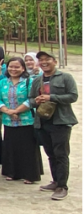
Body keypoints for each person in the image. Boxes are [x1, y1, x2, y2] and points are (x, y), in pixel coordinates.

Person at [29, 51, 79, 200]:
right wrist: (36, 101)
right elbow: (30, 99)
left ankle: (62, 186)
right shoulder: (37, 80)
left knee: (61, 154)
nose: (44, 62)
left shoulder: (65, 78)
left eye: (47, 59)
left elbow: (73, 96)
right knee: (50, 153)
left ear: (55, 61)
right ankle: (55, 181)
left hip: (61, 121)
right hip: (43, 121)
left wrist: (52, 97)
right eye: (41, 60)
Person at [0, 58, 42, 185]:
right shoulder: (3, 82)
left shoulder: (29, 82)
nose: (13, 70)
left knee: (27, 148)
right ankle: (12, 173)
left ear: (23, 68)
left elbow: (32, 99)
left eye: (17, 67)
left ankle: (30, 175)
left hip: (26, 120)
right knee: (11, 147)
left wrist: (16, 111)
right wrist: (8, 111)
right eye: (11, 67)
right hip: (8, 120)